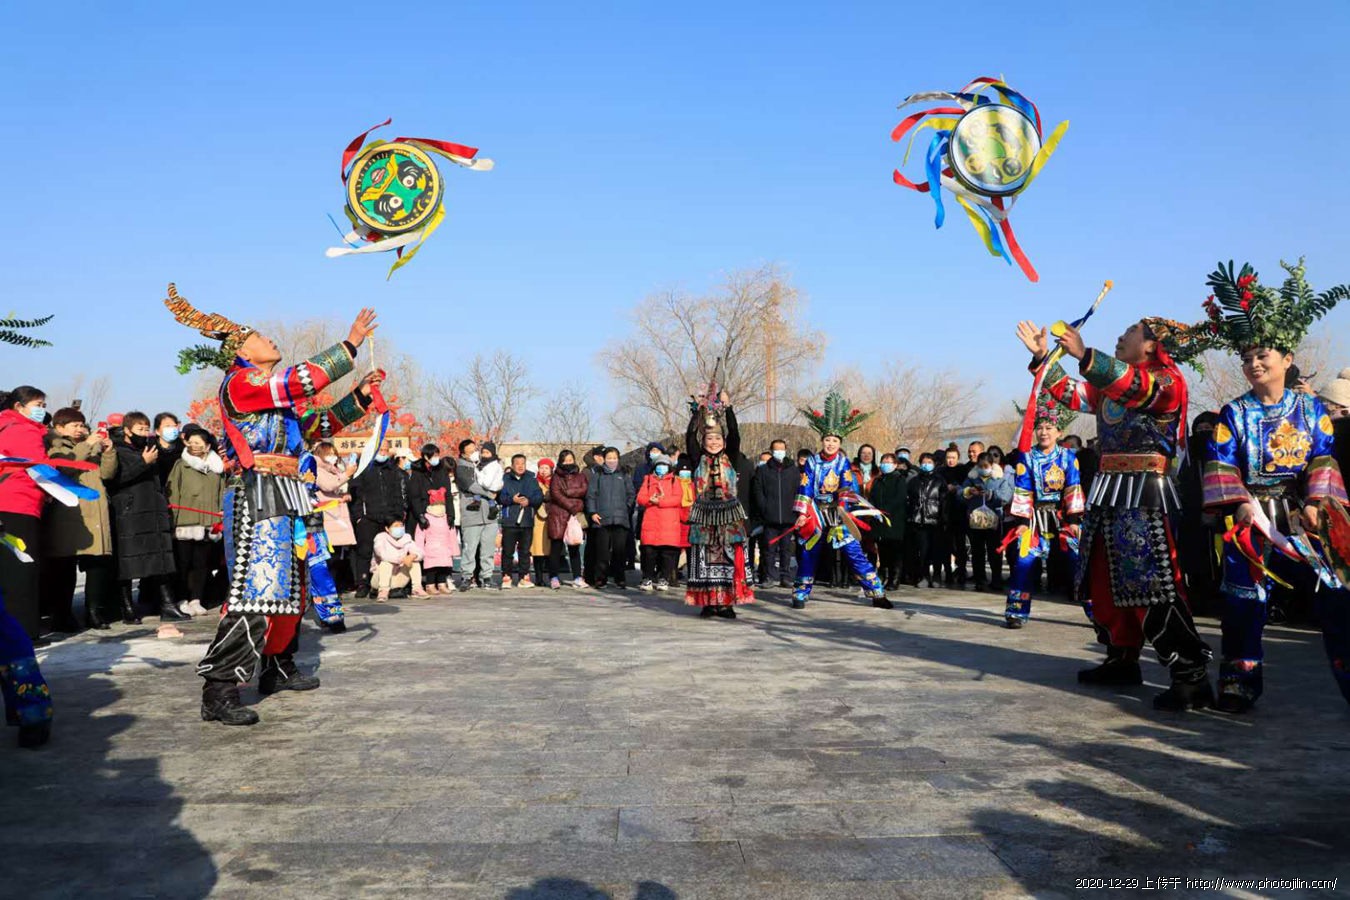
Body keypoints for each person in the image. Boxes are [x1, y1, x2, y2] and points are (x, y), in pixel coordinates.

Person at [165, 285, 382, 726]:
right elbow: (298, 380)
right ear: (242, 351)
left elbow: (318, 424)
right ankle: (219, 688)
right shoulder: (242, 384)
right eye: (261, 338)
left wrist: (360, 396)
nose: (271, 340)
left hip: (289, 492)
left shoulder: (275, 401)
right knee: (258, 589)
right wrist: (349, 345)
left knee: (292, 589)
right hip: (257, 492)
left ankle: (277, 666)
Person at [1020, 312, 1214, 711]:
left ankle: (1190, 674)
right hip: (1108, 490)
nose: (1120, 337)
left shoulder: (1167, 381)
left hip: (1145, 493)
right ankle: (1121, 657)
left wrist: (1085, 354)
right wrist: (1043, 358)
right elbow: (1071, 394)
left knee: (1152, 581)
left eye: (1130, 332)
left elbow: (1137, 388)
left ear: (1152, 345)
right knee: (1103, 579)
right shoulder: (1109, 389)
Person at [1198, 259, 1350, 712]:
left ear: (1286, 359)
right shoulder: (1234, 413)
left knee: (1335, 594)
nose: (1253, 364)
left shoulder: (1312, 411)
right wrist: (1239, 504)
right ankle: (1239, 684)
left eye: (1262, 355)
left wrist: (1317, 502)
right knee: (1243, 600)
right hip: (1252, 516)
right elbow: (1221, 463)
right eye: (1246, 358)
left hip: (1302, 515)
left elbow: (1323, 457)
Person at [791, 393, 892, 610]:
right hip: (816, 510)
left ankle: (877, 592)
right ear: (822, 441)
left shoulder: (843, 462)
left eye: (835, 441)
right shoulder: (812, 461)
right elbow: (805, 487)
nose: (830, 444)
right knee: (809, 550)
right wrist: (802, 513)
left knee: (853, 551)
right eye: (827, 440)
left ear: (840, 443)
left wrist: (842, 512)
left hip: (838, 511)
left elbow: (847, 488)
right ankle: (800, 592)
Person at [107, 411, 188, 633]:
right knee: (127, 561)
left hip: (153, 509)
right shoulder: (117, 450)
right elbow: (115, 478)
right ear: (127, 430)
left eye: (145, 429)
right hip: (129, 511)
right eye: (139, 429)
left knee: (160, 558)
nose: (143, 433)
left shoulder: (149, 448)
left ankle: (167, 604)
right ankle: (126, 606)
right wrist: (143, 462)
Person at [1003, 404, 1083, 627]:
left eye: (1049, 428)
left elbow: (1073, 488)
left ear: (1059, 432)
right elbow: (1023, 489)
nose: (1044, 432)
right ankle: (1016, 612)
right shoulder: (1027, 457)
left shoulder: (1068, 457)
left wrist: (1074, 521)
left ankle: (1098, 613)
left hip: (1062, 517)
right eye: (1040, 428)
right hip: (1034, 519)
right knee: (1024, 561)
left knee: (1078, 561)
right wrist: (1022, 522)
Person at [42, 407, 118, 632]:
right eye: (74, 425)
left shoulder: (90, 446)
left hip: (95, 508)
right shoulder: (54, 447)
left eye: (82, 425)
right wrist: (87, 445)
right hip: (69, 512)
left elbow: (107, 474)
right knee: (65, 566)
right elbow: (63, 469)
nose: (80, 429)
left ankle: (94, 612)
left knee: (97, 563)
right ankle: (62, 614)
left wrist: (108, 452)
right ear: (59, 427)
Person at [684, 389, 753, 617]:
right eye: (709, 439)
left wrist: (728, 408)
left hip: (729, 516)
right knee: (705, 559)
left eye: (717, 438)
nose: (713, 442)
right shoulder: (698, 459)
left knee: (728, 559)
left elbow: (735, 434)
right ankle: (708, 602)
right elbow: (689, 437)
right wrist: (698, 412)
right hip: (703, 516)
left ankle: (726, 603)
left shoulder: (730, 457)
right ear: (703, 441)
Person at [0, 386, 49, 640]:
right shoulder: (24, 429)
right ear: (19, 406)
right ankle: (24, 633)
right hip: (19, 503)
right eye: (38, 405)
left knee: (7, 568)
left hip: (5, 503)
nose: (42, 410)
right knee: (22, 568)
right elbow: (40, 467)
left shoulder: (3, 426)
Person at [165, 424, 225, 617]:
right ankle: (181, 599)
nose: (194, 446)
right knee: (183, 563)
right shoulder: (181, 465)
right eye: (191, 442)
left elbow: (222, 492)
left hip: (209, 521)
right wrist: (173, 519)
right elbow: (172, 492)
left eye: (198, 443)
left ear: (207, 446)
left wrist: (220, 513)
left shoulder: (217, 468)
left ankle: (196, 599)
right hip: (185, 521)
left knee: (202, 564)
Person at [349, 440, 409, 597]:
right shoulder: (363, 467)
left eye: (386, 450)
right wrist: (358, 517)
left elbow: (398, 494)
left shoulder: (392, 469)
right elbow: (355, 493)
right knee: (364, 551)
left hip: (389, 518)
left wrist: (398, 516)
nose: (383, 453)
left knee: (389, 552)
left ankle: (387, 583)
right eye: (380, 450)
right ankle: (362, 583)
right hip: (368, 517)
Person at [408, 443, 457, 594]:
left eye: (437, 455)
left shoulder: (441, 471)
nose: (437, 458)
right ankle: (428, 583)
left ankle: (442, 581)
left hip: (442, 514)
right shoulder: (417, 472)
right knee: (428, 551)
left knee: (444, 550)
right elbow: (414, 497)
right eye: (433, 455)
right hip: (425, 514)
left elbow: (448, 495)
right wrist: (420, 516)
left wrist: (451, 514)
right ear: (425, 456)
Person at [456, 439, 504, 589]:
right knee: (469, 548)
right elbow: (470, 485)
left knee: (488, 548)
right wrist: (489, 494)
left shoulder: (488, 465)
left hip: (489, 515)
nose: (474, 451)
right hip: (471, 514)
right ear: (463, 452)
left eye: (475, 448)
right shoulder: (461, 467)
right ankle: (467, 576)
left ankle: (487, 576)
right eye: (470, 449)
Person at [961, 451, 1012, 593]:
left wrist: (991, 495)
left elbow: (1006, 496)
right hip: (976, 521)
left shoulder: (1000, 478)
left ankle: (996, 580)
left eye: (986, 466)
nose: (983, 469)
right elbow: (960, 493)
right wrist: (968, 491)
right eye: (980, 466)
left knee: (994, 551)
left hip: (993, 520)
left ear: (992, 465)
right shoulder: (972, 478)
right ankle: (980, 580)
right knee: (977, 551)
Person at [752, 439, 799, 588]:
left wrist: (796, 511)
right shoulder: (763, 470)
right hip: (770, 518)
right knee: (768, 549)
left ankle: (785, 576)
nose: (779, 452)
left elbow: (798, 491)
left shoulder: (793, 470)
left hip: (788, 517)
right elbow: (758, 491)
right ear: (772, 451)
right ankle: (769, 577)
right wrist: (764, 508)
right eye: (776, 449)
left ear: (786, 450)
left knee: (786, 549)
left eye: (782, 449)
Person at [586, 447, 635, 589]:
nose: (612, 461)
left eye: (614, 458)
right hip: (602, 519)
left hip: (620, 519)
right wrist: (592, 512)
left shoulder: (624, 474)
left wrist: (626, 508)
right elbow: (591, 495)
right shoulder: (598, 475)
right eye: (609, 458)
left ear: (618, 459)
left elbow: (631, 494)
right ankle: (601, 578)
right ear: (604, 459)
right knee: (602, 552)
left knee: (620, 552)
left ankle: (620, 578)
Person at [314, 441, 358, 594]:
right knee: (329, 556)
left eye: (334, 454)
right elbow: (328, 486)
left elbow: (336, 487)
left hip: (337, 516)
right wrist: (347, 474)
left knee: (338, 556)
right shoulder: (317, 469)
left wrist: (345, 495)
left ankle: (333, 588)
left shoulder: (334, 470)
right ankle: (326, 590)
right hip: (328, 516)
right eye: (329, 454)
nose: (332, 457)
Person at [637, 453, 685, 590]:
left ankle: (664, 578)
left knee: (667, 554)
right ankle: (647, 578)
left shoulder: (675, 481)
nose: (661, 467)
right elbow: (640, 498)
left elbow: (677, 499)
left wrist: (660, 501)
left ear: (669, 467)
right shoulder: (648, 480)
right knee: (648, 553)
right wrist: (650, 500)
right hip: (651, 522)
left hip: (669, 524)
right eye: (659, 465)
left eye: (664, 465)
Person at [500, 453, 544, 589]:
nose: (520, 466)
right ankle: (506, 576)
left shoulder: (531, 479)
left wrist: (529, 501)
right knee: (507, 551)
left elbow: (539, 496)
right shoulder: (505, 479)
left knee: (525, 551)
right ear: (512, 465)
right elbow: (500, 497)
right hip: (510, 520)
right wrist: (511, 500)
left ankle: (524, 577)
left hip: (526, 520)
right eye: (517, 463)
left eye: (522, 463)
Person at [545, 450, 588, 589]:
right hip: (558, 514)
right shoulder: (556, 477)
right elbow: (556, 494)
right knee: (556, 548)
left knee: (574, 547)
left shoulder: (581, 476)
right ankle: (553, 577)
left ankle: (577, 577)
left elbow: (584, 490)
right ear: (561, 462)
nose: (568, 463)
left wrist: (568, 492)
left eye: (570, 460)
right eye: (565, 460)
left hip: (574, 516)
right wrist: (571, 504)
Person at [869, 453, 909, 590]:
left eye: (888, 462)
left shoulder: (900, 479)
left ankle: (894, 578)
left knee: (895, 551)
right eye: (883, 461)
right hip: (879, 520)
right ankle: (883, 575)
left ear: (895, 465)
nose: (885, 464)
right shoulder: (878, 480)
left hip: (894, 521)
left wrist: (885, 510)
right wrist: (873, 509)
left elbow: (900, 498)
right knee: (882, 550)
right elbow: (872, 496)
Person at [906, 453, 946, 587]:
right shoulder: (914, 481)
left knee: (936, 550)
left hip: (936, 521)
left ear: (934, 464)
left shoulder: (940, 481)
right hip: (919, 520)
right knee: (922, 551)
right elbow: (909, 501)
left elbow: (944, 502)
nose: (926, 465)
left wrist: (944, 518)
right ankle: (924, 576)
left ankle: (936, 576)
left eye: (929, 462)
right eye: (924, 462)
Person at [371, 516, 427, 601]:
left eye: (401, 525)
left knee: (414, 561)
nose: (399, 528)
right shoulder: (380, 538)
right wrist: (402, 559)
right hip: (380, 578)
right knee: (386, 562)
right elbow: (382, 554)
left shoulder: (406, 538)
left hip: (398, 578)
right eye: (396, 526)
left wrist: (413, 556)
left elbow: (420, 552)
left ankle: (417, 589)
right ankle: (383, 590)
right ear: (387, 528)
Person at [939, 446, 971, 585]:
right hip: (944, 512)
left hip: (960, 512)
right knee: (946, 544)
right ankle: (947, 571)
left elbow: (967, 488)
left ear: (958, 458)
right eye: (948, 458)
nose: (950, 460)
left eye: (953, 458)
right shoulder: (940, 472)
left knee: (960, 544)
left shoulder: (963, 471)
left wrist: (957, 489)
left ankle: (961, 569)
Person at [530, 458, 555, 587]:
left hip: (553, 519)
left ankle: (553, 577)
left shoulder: (556, 482)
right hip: (537, 519)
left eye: (546, 468)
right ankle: (539, 578)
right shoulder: (534, 482)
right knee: (538, 549)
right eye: (541, 468)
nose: (543, 470)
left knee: (551, 551)